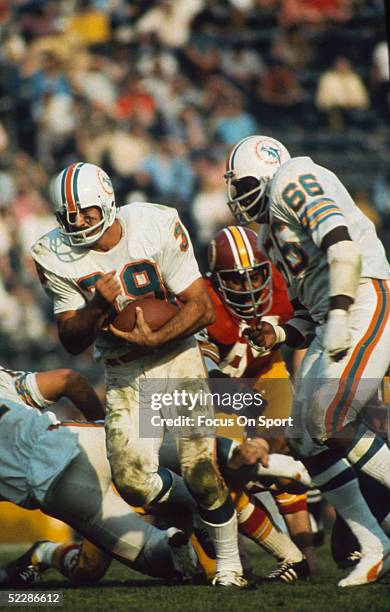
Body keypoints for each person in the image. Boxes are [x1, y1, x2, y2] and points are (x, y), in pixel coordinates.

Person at [30, 162, 245, 587]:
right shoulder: (50, 253)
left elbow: (202, 306)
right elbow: (72, 341)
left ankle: (230, 566)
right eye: (68, 217)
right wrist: (95, 306)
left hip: (177, 354)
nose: (78, 223)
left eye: (87, 213)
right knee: (131, 482)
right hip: (122, 368)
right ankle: (203, 516)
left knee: (199, 468)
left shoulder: (154, 222)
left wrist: (157, 337)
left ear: (108, 201)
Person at [223, 134, 390, 587]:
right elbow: (303, 313)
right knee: (304, 436)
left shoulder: (293, 178)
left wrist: (337, 313)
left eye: (239, 184)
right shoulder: (268, 232)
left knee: (331, 416)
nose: (236, 196)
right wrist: (276, 333)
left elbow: (342, 244)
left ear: (261, 171)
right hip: (331, 312)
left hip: (362, 296)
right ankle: (375, 543)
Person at [198, 224, 316, 579]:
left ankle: (305, 550)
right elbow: (206, 371)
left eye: (255, 275)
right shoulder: (202, 299)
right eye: (235, 279)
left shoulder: (281, 285)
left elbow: (307, 326)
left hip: (268, 373)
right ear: (216, 279)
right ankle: (240, 551)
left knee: (279, 448)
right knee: (225, 471)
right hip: (222, 391)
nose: (248, 287)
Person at [0, 390, 199, 586]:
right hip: (84, 441)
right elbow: (68, 379)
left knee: (162, 555)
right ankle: (44, 553)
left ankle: (199, 541)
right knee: (89, 566)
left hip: (58, 478)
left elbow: (67, 379)